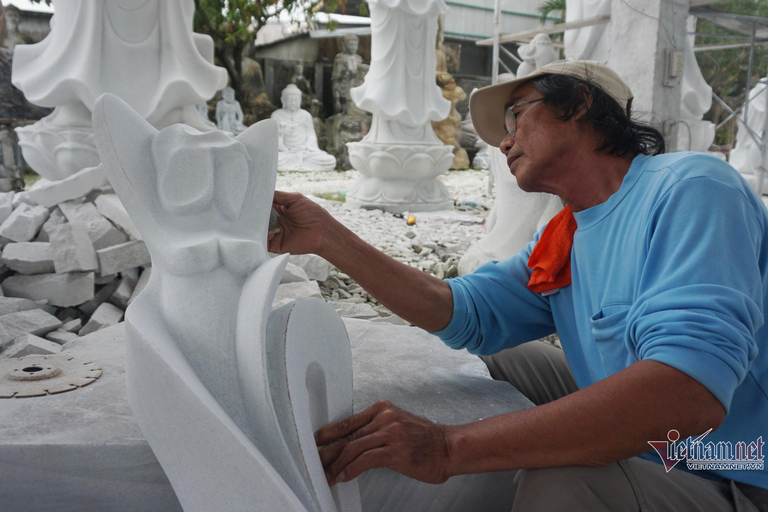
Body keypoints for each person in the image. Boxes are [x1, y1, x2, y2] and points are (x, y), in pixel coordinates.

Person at [268, 60, 768, 511]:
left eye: (515, 118)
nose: (504, 142)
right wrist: (326, 236)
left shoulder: (691, 188)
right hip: (663, 433)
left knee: (562, 484)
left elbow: (687, 395)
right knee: (491, 364)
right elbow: (463, 312)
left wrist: (447, 447)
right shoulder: (566, 233)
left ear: (580, 104)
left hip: (730, 465)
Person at [271, 84, 336, 171]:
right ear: (284, 100)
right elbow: (273, 141)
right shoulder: (277, 115)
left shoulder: (305, 115)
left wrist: (305, 146)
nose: (293, 102)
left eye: (296, 100)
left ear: (300, 101)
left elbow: (311, 136)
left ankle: (298, 165)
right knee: (275, 160)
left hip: (304, 152)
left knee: (330, 160)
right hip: (286, 153)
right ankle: (300, 165)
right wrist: (280, 132)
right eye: (290, 100)